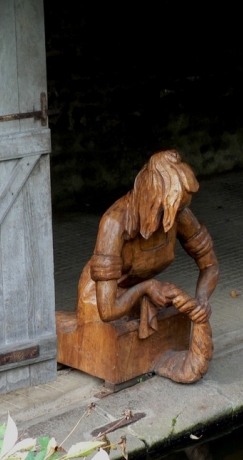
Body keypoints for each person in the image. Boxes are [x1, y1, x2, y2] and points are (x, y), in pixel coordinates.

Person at [76, 149, 219, 383]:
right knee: (125, 333)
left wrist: (202, 299)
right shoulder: (115, 222)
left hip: (139, 292)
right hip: (101, 298)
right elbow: (107, 310)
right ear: (154, 199)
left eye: (180, 208)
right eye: (170, 209)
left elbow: (210, 264)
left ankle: (157, 357)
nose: (178, 216)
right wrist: (146, 288)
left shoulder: (178, 214)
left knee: (174, 315)